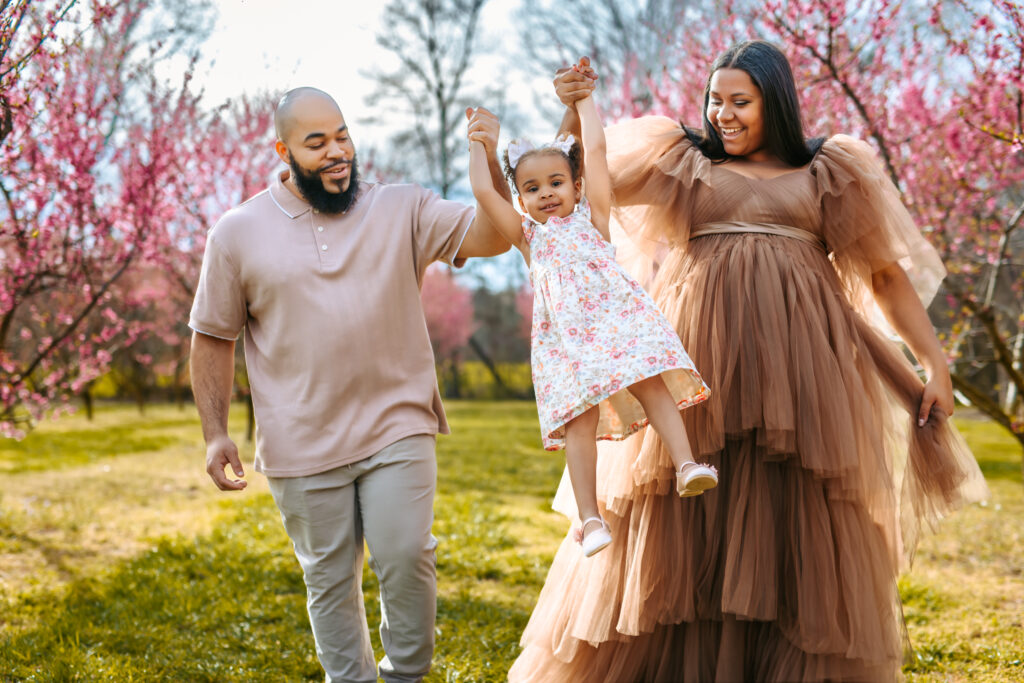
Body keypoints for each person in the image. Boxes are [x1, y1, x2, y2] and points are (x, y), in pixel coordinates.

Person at [508, 44, 988, 682]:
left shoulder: (827, 171)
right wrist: (575, 109)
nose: (723, 114)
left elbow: (885, 276)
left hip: (800, 370)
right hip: (695, 358)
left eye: (741, 102)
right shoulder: (681, 160)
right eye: (715, 100)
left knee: (792, 508)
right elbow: (582, 182)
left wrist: (934, 362)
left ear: (776, 102)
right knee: (682, 508)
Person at [188, 87, 511, 683]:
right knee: (329, 581)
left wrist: (488, 159)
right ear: (284, 150)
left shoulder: (400, 206)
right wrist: (215, 434)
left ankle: (405, 675)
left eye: (342, 136)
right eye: (317, 143)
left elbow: (495, 238)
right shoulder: (236, 233)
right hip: (300, 440)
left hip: (397, 422)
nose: (337, 152)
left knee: (407, 556)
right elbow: (212, 337)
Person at [467, 64, 712, 559]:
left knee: (651, 380)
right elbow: (482, 192)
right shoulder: (529, 238)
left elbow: (594, 150)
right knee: (580, 424)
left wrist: (584, 102)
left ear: (576, 187)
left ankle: (687, 464)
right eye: (532, 189)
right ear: (523, 201)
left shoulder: (593, 219)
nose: (546, 194)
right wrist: (479, 144)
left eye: (556, 182)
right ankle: (590, 518)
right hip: (569, 345)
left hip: (619, 325)